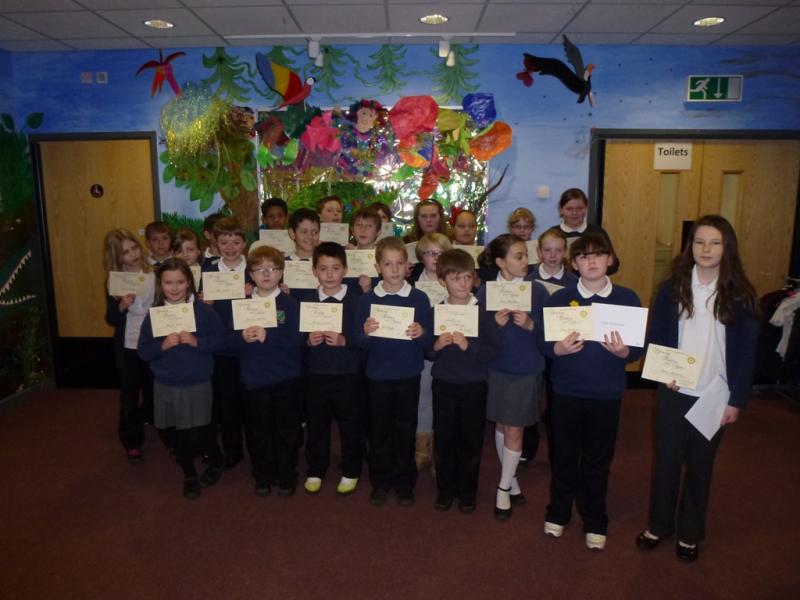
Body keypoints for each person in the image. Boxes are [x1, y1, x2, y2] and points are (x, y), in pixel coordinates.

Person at [635, 215, 758, 563]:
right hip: (674, 389)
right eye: (700, 242)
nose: (706, 249)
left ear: (727, 248)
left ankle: (690, 532)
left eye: (715, 243)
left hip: (715, 395)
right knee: (666, 463)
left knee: (701, 466)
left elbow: (747, 354)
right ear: (691, 247)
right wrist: (661, 372)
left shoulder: (741, 294)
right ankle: (659, 525)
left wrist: (737, 401)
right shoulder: (673, 287)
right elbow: (657, 336)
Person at [540, 233, 642, 550]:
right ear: (574, 263)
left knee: (598, 460)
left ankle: (595, 519)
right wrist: (556, 347)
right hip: (567, 392)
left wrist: (624, 352)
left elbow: (637, 350)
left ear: (610, 259)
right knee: (564, 456)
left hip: (606, 394)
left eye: (599, 254)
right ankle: (558, 512)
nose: (592, 261)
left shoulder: (627, 299)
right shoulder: (559, 299)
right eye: (584, 256)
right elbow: (544, 344)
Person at [354, 236, 433, 507]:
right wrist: (365, 333)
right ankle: (380, 481)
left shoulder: (419, 298)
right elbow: (359, 342)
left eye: (400, 263)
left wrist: (422, 333)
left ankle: (404, 482)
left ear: (408, 266)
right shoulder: (367, 300)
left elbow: (429, 342)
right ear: (378, 268)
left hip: (408, 373)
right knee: (379, 431)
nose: (395, 269)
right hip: (377, 375)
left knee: (405, 429)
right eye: (388, 264)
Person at [137, 258, 225, 499]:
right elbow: (144, 351)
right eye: (168, 283)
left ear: (189, 283)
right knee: (173, 433)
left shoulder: (204, 312)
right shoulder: (154, 315)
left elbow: (221, 342)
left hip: (197, 382)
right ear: (160, 284)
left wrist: (198, 342)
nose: (174, 288)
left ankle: (212, 460)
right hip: (166, 383)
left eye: (180, 282)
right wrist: (162, 345)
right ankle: (189, 471)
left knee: (200, 433)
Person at [476, 234, 548, 521]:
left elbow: (551, 332)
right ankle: (513, 480)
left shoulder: (538, 291)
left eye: (525, 255)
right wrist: (493, 324)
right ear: (500, 262)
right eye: (518, 256)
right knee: (503, 425)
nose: (525, 261)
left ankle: (503, 488)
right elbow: (478, 331)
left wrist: (532, 324)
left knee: (516, 430)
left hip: (525, 368)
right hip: (495, 367)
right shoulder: (486, 292)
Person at [232, 245, 305, 497]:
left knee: (287, 430)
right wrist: (241, 336)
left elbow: (297, 339)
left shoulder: (290, 304)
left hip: (286, 378)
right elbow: (227, 343)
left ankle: (286, 475)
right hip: (255, 379)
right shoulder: (241, 305)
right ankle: (262, 474)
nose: (266, 274)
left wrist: (268, 336)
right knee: (258, 430)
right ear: (250, 274)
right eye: (259, 269)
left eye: (272, 269)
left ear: (281, 273)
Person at [431, 249, 500, 513]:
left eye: (467, 277)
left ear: (473, 279)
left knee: (471, 440)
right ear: (442, 281)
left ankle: (468, 492)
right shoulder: (436, 310)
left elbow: (494, 351)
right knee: (445, 439)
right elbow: (426, 350)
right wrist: (436, 344)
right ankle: (446, 490)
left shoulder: (482, 312)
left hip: (474, 385)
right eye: (455, 278)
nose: (462, 283)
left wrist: (467, 346)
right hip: (444, 385)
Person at [302, 242, 363, 496]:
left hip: (348, 374)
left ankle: (351, 470)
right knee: (316, 424)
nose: (329, 274)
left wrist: (345, 340)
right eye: (323, 269)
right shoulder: (306, 300)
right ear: (314, 270)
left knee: (351, 424)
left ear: (345, 270)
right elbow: (296, 337)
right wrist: (307, 340)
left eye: (335, 268)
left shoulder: (357, 299)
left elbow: (364, 336)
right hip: (316, 374)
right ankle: (316, 468)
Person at [202, 216, 251, 470]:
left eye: (235, 242)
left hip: (250, 345)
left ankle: (255, 447)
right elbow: (202, 314)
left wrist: (252, 293)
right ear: (215, 243)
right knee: (228, 401)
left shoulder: (252, 269)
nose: (230, 247)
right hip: (222, 348)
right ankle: (233, 451)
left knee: (251, 400)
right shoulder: (209, 272)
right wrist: (206, 305)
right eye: (224, 242)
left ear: (244, 243)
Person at [104, 228, 154, 463]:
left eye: (134, 248)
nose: (133, 254)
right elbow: (111, 318)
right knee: (129, 397)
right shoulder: (116, 280)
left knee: (155, 392)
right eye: (125, 252)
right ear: (117, 257)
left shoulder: (154, 270)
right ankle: (132, 441)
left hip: (155, 343)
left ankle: (164, 430)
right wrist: (122, 305)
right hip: (129, 345)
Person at [409, 233, 452, 472]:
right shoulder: (412, 283)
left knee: (444, 401)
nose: (435, 258)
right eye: (429, 253)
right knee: (423, 399)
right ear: (421, 257)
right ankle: (421, 449)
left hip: (451, 351)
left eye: (440, 253)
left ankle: (441, 454)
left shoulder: (457, 280)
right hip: (423, 349)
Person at [549, 188, 619, 274]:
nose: (574, 213)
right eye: (569, 209)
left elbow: (614, 264)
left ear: (586, 209)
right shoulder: (552, 234)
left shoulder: (597, 232)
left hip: (593, 283)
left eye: (579, 208)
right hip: (560, 283)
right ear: (561, 210)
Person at [347, 207, 382, 294]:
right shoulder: (344, 256)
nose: (363, 230)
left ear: (378, 232)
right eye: (358, 225)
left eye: (369, 226)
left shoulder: (383, 258)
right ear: (352, 230)